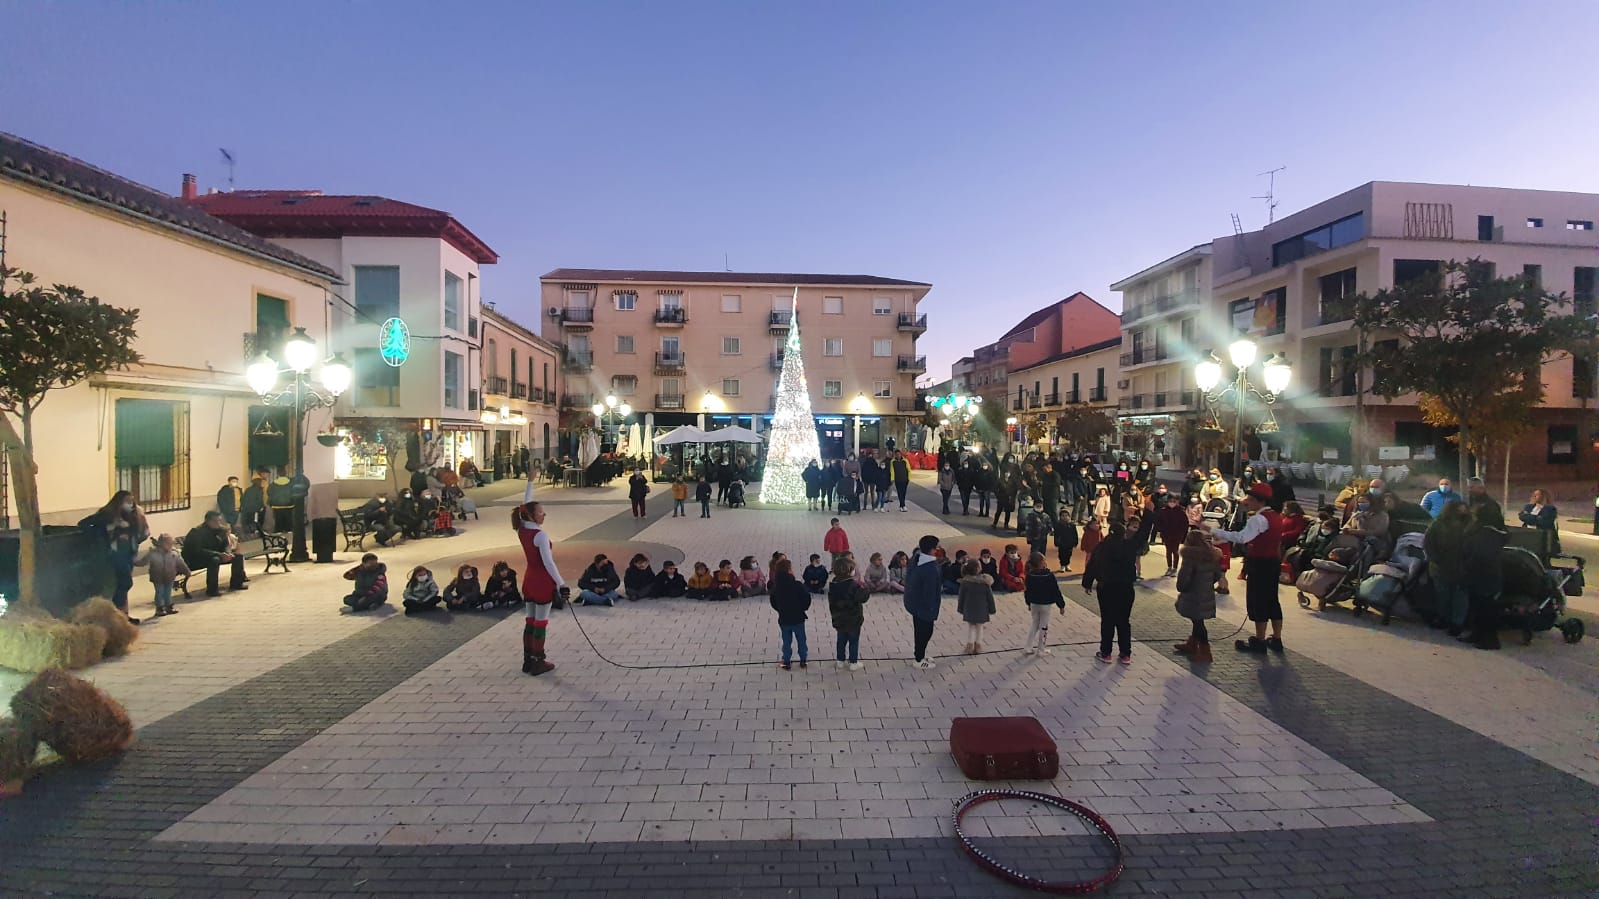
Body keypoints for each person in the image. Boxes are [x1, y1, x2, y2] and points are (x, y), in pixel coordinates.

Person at [1204, 482, 1286, 654]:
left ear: (1260, 501)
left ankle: (1260, 640)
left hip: (1260, 563)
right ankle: (1277, 638)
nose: (1247, 501)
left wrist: (1214, 531)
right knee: (1272, 600)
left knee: (1258, 601)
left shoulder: (1258, 519)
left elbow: (1241, 537)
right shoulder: (1276, 516)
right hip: (1272, 562)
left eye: (1250, 498)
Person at [1081, 516, 1154, 664]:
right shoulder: (1129, 546)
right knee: (1123, 621)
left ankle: (1106, 652)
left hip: (1106, 587)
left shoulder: (1102, 547)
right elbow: (1143, 534)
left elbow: (1093, 565)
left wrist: (1087, 583)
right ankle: (1125, 653)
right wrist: (1149, 514)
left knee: (1107, 620)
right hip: (1126, 588)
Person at [514, 500, 568, 675]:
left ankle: (527, 659)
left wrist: (530, 482)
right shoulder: (540, 536)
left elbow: (525, 504)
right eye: (540, 512)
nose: (543, 514)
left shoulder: (521, 530)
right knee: (541, 622)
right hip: (542, 581)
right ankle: (539, 661)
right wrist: (561, 583)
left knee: (530, 620)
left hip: (529, 579)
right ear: (530, 515)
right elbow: (548, 563)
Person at [80, 490, 151, 621]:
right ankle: (117, 615)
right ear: (118, 502)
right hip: (114, 554)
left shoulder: (133, 515)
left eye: (131, 501)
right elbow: (84, 524)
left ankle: (123, 616)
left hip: (128, 553)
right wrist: (104, 538)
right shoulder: (107, 515)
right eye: (127, 501)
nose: (130, 504)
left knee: (123, 585)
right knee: (125, 583)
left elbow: (142, 533)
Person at [1460, 503, 1508, 650]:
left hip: (1483, 574)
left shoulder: (1488, 533)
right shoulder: (1487, 531)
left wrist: (1469, 564)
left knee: (1485, 608)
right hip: (1481, 574)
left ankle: (1490, 639)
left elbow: (1481, 555)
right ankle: (1477, 633)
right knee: (1476, 606)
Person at [1173, 531, 1222, 663]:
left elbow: (1184, 578)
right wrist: (1207, 584)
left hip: (1193, 595)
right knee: (1197, 620)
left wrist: (1182, 588)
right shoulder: (1210, 555)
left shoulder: (1190, 557)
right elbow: (1217, 574)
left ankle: (1205, 652)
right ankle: (1193, 643)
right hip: (1205, 594)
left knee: (1198, 623)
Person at [1424, 500, 1471, 635]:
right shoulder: (1438, 524)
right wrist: (1436, 559)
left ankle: (1457, 623)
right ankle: (1443, 619)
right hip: (1441, 566)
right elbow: (1429, 543)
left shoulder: (1469, 525)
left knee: (1460, 597)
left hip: (1462, 566)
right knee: (1442, 596)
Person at [181, 510, 248, 599]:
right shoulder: (197, 532)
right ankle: (212, 590)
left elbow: (225, 544)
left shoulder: (221, 531)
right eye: (216, 521)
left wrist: (227, 553)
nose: (219, 523)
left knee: (238, 557)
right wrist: (220, 555)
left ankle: (236, 583)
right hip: (196, 558)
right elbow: (198, 550)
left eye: (220, 521)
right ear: (208, 521)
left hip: (216, 555)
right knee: (214, 560)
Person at [903, 535, 944, 669]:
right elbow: (930, 591)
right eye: (937, 547)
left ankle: (920, 654)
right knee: (925, 631)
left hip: (914, 602)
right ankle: (919, 659)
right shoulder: (930, 568)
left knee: (920, 630)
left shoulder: (916, 558)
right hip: (924, 606)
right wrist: (930, 607)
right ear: (932, 549)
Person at [828, 556, 870, 669]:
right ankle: (853, 662)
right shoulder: (853, 585)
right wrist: (866, 589)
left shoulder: (833, 584)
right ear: (849, 571)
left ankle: (840, 660)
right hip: (853, 619)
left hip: (838, 618)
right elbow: (862, 598)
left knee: (841, 640)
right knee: (853, 641)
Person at [134, 533, 190, 617]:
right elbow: (143, 562)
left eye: (171, 543)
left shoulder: (174, 554)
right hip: (157, 577)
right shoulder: (153, 553)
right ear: (161, 544)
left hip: (170, 576)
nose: (170, 546)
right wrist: (134, 562)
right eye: (168, 544)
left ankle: (169, 606)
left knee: (168, 592)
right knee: (159, 592)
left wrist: (187, 571)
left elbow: (181, 563)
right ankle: (159, 607)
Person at [770, 558, 811, 669]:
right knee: (801, 639)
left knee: (786, 641)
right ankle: (803, 660)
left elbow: (773, 601)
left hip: (784, 618)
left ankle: (786, 660)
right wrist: (803, 608)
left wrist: (780, 609)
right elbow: (806, 598)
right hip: (798, 618)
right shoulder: (797, 585)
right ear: (789, 571)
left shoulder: (777, 587)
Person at [1022, 551, 1065, 655]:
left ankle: (1028, 646)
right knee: (1044, 626)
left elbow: (1027, 591)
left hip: (1034, 604)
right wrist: (1061, 605)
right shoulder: (1049, 575)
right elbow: (1055, 590)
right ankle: (1041, 649)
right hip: (1045, 604)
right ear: (1041, 562)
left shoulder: (1029, 575)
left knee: (1034, 624)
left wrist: (1028, 603)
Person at [956, 559, 996, 655]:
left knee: (971, 627)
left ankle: (969, 645)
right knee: (979, 627)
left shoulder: (965, 583)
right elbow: (990, 597)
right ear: (978, 568)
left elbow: (961, 597)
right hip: (982, 609)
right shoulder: (985, 583)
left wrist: (960, 608)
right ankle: (978, 645)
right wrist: (992, 609)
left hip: (969, 608)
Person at [1153, 493, 1190, 577]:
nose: (1172, 503)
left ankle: (1175, 568)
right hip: (1166, 534)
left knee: (1175, 551)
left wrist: (1182, 534)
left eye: (1174, 501)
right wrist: (1161, 530)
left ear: (1177, 502)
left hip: (1177, 535)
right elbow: (1158, 521)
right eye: (1170, 501)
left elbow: (1185, 524)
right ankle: (1169, 567)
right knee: (1168, 551)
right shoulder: (1163, 511)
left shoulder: (1181, 512)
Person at [1518, 488, 1560, 553]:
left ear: (1543, 497)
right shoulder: (1529, 506)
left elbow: (1544, 521)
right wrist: (1536, 518)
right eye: (1534, 494)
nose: (1534, 496)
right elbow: (1522, 516)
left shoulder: (1550, 509)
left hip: (1541, 538)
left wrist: (1529, 517)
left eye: (1537, 495)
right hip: (1528, 535)